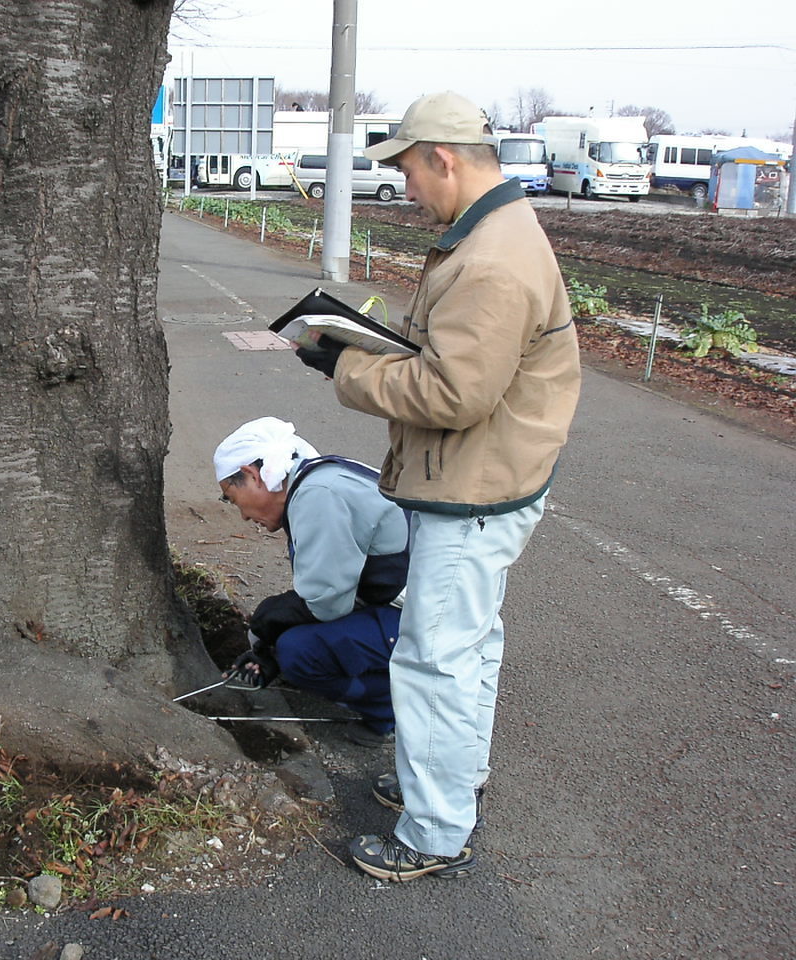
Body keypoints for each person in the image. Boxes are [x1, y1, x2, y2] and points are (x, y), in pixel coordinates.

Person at [293, 91, 581, 881]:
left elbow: (455, 395)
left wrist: (348, 367)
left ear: (443, 159)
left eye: (410, 169)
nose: (407, 188)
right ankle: (455, 780)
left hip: (475, 491)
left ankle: (435, 832)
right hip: (496, 478)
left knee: (433, 663)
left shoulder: (488, 261)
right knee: (470, 647)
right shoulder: (499, 229)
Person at [213, 417, 410, 746]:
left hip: (427, 616)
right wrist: (267, 643)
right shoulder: (318, 478)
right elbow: (328, 590)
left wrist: (266, 631)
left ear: (252, 475)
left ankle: (396, 706)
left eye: (233, 500)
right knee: (292, 634)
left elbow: (327, 601)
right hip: (404, 602)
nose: (244, 516)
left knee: (299, 652)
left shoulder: (319, 494)